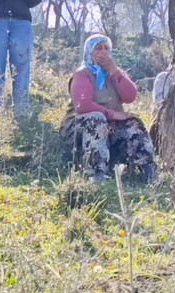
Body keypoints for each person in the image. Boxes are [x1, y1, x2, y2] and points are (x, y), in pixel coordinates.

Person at [61, 34, 157, 184]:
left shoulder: (113, 73)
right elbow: (83, 106)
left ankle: (148, 170)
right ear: (89, 52)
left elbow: (130, 96)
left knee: (133, 123)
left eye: (106, 48)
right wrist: (112, 114)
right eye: (98, 48)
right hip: (80, 128)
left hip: (109, 126)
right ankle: (96, 172)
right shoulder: (82, 73)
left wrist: (113, 69)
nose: (103, 52)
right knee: (96, 118)